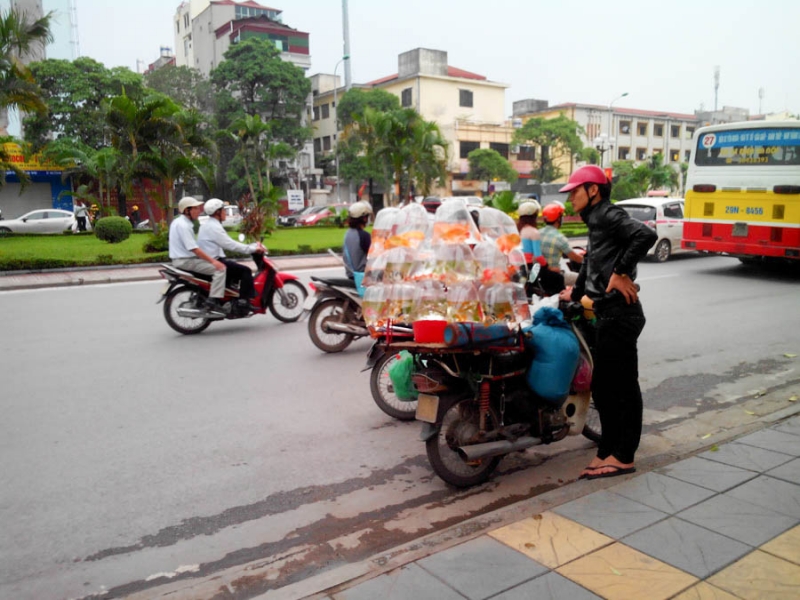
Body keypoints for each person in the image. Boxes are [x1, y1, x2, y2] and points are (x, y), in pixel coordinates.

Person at [557, 165, 657, 481]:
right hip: (605, 313)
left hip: (620, 314)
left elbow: (646, 234)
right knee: (604, 387)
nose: (570, 197)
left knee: (622, 387)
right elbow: (591, 259)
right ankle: (607, 450)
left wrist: (621, 272)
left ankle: (624, 455)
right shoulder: (595, 220)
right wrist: (574, 293)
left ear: (593, 190)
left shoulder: (607, 214)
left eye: (575, 191)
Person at [198, 198, 266, 315]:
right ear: (217, 212)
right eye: (223, 210)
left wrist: (251, 246)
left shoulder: (208, 225)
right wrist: (253, 248)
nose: (225, 212)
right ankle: (243, 302)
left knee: (233, 269)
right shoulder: (214, 227)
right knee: (245, 271)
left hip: (212, 259)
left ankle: (230, 300)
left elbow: (227, 243)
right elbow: (230, 245)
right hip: (214, 261)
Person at [168, 196, 227, 317]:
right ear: (187, 210)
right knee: (220, 269)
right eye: (195, 208)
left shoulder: (178, 222)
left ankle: (207, 295)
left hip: (181, 259)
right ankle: (213, 301)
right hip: (186, 261)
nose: (199, 211)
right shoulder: (184, 226)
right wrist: (213, 261)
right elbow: (194, 249)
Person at [539, 201, 585, 294]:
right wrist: (589, 261)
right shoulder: (559, 238)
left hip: (539, 276)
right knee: (583, 279)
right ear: (558, 219)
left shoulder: (537, 233)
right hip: (555, 276)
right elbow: (575, 258)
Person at [343, 201, 372, 280]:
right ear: (364, 218)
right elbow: (375, 255)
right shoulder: (364, 236)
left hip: (351, 276)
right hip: (363, 277)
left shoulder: (347, 234)